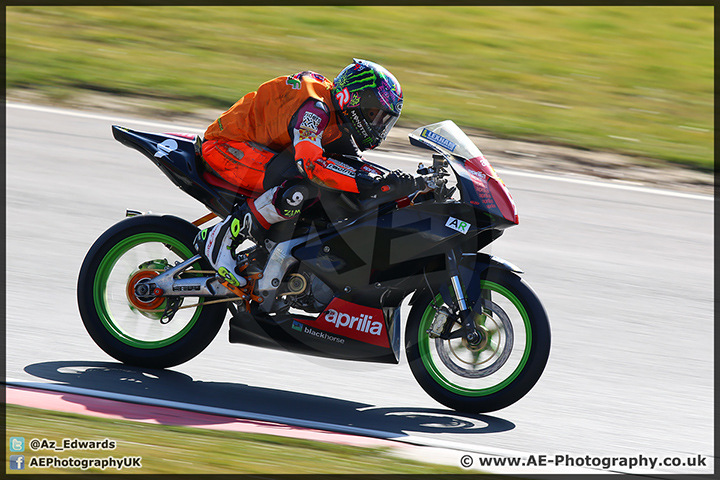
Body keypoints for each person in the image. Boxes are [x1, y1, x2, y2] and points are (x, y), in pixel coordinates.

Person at [194, 59, 420, 290]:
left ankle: (277, 246)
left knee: (342, 178)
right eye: (373, 114)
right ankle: (221, 237)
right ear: (352, 99)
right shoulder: (315, 109)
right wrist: (369, 183)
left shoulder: (337, 117)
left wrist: (401, 186)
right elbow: (310, 165)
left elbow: (355, 169)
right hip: (228, 146)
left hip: (264, 149)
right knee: (301, 183)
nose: (377, 124)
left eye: (383, 119)